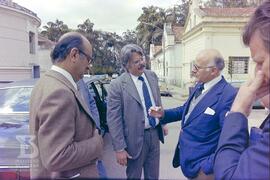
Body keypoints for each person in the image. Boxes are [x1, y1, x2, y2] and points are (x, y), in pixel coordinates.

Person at [149, 49, 237, 179]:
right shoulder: (199, 86)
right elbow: (186, 110)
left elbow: (230, 138)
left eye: (197, 67)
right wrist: (163, 114)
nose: (193, 70)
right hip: (189, 161)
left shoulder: (228, 95)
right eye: (193, 66)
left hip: (204, 168)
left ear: (213, 71)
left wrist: (209, 166)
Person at [29, 32, 103, 179]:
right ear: (74, 55)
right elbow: (57, 156)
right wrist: (96, 143)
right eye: (89, 59)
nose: (89, 66)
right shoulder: (60, 92)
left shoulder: (45, 83)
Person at [214, 1, 270, 179]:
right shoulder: (197, 88)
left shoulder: (228, 93)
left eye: (260, 62)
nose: (257, 73)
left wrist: (237, 111)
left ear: (214, 70)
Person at [107, 44, 166, 179]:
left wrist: (163, 121)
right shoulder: (117, 85)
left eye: (142, 59)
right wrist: (119, 148)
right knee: (134, 176)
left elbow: (157, 100)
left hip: (154, 135)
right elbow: (113, 119)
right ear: (127, 65)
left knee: (153, 176)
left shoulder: (151, 76)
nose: (142, 63)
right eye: (136, 61)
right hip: (133, 141)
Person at [77, 79, 107, 178]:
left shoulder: (81, 82)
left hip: (92, 137)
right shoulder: (60, 84)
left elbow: (92, 103)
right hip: (77, 145)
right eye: (87, 62)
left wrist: (96, 127)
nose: (89, 66)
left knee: (99, 168)